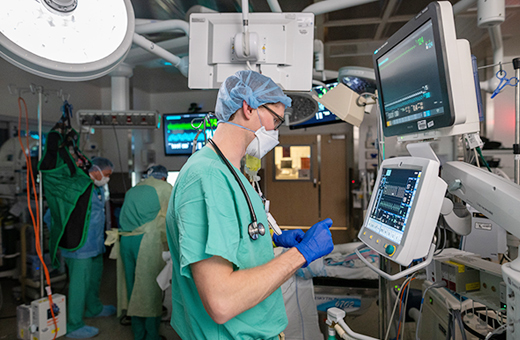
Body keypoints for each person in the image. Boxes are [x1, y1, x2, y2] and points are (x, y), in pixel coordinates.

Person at [166, 70, 335, 339]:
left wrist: (270, 241)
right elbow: (222, 301)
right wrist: (302, 253)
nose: (275, 131)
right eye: (276, 120)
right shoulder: (207, 177)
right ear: (248, 107)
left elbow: (232, 242)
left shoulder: (229, 172)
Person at [44, 157, 116, 339]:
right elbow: (52, 214)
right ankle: (74, 324)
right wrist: (64, 237)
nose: (107, 178)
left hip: (95, 246)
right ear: (96, 170)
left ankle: (94, 307)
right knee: (79, 285)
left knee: (93, 280)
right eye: (106, 174)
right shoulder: (75, 188)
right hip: (79, 248)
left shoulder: (96, 188)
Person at [117, 165, 172, 340]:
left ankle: (138, 333)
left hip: (126, 241)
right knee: (148, 291)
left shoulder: (134, 190)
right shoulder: (165, 188)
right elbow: (173, 217)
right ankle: (152, 335)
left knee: (133, 287)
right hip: (147, 243)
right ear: (164, 177)